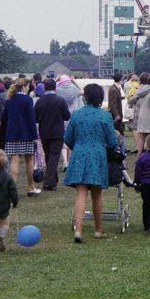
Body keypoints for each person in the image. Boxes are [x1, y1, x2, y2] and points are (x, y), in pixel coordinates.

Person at [63, 83, 118, 243]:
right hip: (97, 155)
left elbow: (67, 138)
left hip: (80, 153)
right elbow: (112, 141)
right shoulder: (104, 116)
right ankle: (98, 230)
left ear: (85, 97)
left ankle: (78, 230)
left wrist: (77, 146)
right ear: (101, 98)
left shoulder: (77, 114)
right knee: (96, 194)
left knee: (81, 193)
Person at [1, 79, 41, 196]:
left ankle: (12, 190)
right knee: (29, 160)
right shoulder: (28, 100)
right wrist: (34, 135)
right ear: (24, 86)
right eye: (28, 86)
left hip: (12, 134)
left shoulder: (10, 100)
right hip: (27, 134)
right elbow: (31, 119)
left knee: (14, 160)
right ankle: (30, 187)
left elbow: (5, 118)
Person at [34, 78, 71, 191]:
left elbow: (35, 118)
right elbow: (67, 116)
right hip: (57, 132)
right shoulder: (60, 100)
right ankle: (49, 182)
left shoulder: (39, 101)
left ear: (45, 88)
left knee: (48, 156)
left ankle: (53, 180)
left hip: (44, 132)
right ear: (55, 87)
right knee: (54, 157)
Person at [128, 73, 150, 156]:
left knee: (142, 138)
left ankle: (139, 157)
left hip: (141, 117)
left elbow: (130, 100)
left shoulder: (141, 90)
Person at [108, 72, 125, 138]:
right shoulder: (113, 89)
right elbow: (113, 103)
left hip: (117, 113)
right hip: (116, 114)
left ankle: (122, 146)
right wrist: (116, 115)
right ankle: (121, 147)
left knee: (119, 131)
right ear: (120, 79)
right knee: (119, 131)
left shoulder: (116, 88)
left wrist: (121, 98)